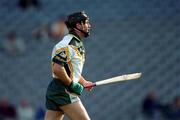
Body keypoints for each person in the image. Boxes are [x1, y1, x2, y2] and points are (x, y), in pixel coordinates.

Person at [45, 11, 93, 120]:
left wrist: (84, 82)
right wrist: (71, 84)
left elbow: (70, 70)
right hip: (64, 91)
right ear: (78, 25)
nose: (89, 25)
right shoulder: (68, 44)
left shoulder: (76, 43)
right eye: (86, 23)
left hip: (57, 90)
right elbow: (58, 69)